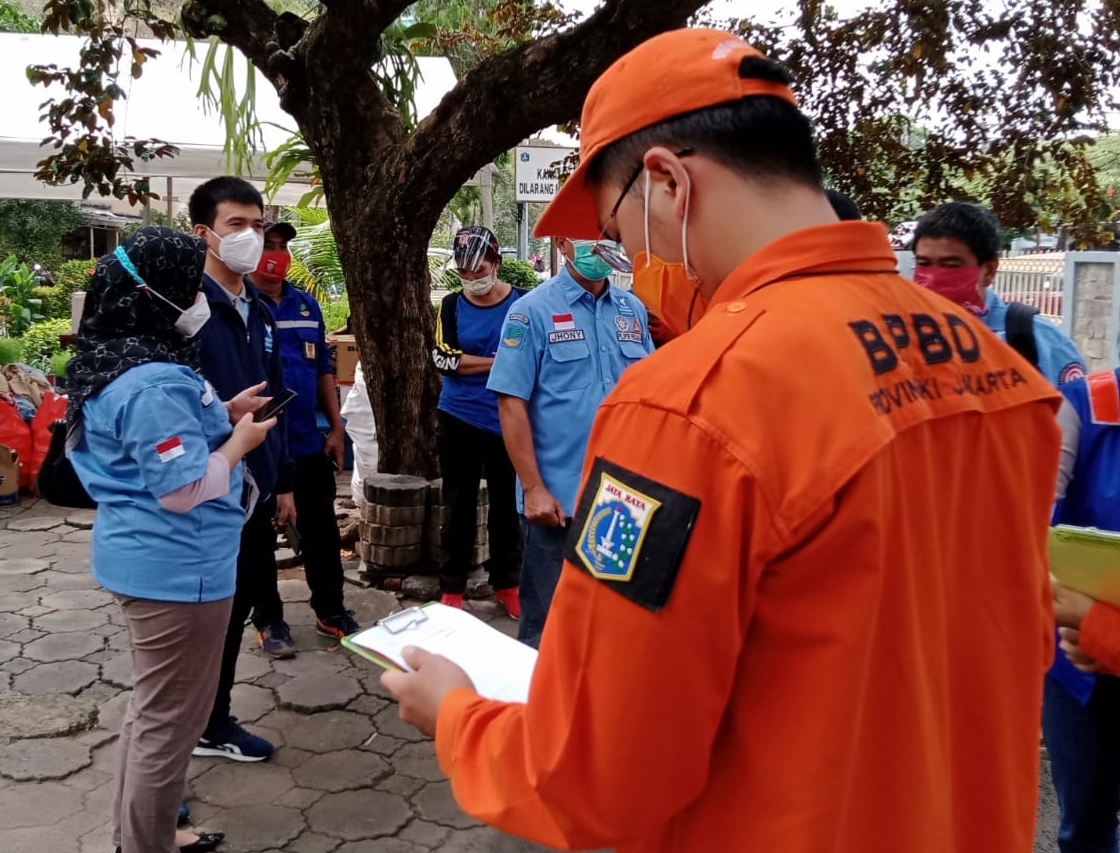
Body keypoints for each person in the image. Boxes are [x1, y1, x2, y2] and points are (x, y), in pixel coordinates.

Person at [382, 28, 1062, 852]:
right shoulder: (996, 370)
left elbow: (597, 776)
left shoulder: (690, 401)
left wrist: (455, 716)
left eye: (620, 228)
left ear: (667, 181)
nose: (633, 256)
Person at [66, 226, 275, 853]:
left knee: (153, 713)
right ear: (155, 293)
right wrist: (239, 444)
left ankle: (147, 835)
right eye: (189, 285)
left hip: (149, 559)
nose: (198, 298)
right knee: (169, 724)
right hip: (179, 571)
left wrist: (222, 412)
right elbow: (183, 489)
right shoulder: (154, 382)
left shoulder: (121, 356)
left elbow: (157, 448)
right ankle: (147, 844)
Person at [486, 233, 652, 648]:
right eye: (586, 236)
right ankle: (531, 711)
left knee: (613, 623)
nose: (599, 246)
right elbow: (511, 404)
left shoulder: (632, 310)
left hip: (621, 499)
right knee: (549, 625)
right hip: (558, 502)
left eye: (607, 235)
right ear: (562, 243)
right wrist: (533, 488)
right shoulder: (531, 312)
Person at [187, 177, 295, 762]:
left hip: (252, 489)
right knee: (190, 630)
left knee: (231, 616)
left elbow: (275, 399)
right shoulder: (185, 310)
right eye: (237, 225)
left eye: (257, 224)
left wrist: (281, 482)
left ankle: (214, 721)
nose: (251, 237)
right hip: (199, 490)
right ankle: (163, 765)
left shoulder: (261, 310)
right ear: (203, 233)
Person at [1042, 273, 1120, 853]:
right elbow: (1033, 509)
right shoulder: (1085, 402)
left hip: (1096, 629)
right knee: (1085, 824)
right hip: (1076, 657)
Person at [252, 219, 361, 641]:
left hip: (305, 440)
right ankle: (268, 618)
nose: (276, 255)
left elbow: (322, 371)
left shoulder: (304, 307)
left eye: (281, 246)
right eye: (267, 246)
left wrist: (336, 428)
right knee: (260, 535)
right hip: (258, 445)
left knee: (321, 529)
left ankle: (331, 610)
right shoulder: (241, 309)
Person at [431, 225, 525, 616]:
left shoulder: (522, 305)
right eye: (464, 271)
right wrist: (500, 362)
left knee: (507, 506)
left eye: (479, 269)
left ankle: (507, 583)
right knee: (458, 503)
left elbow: (531, 358)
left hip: (509, 418)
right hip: (459, 416)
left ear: (497, 263)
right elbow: (444, 360)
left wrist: (478, 365)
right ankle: (452, 587)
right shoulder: (451, 306)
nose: (472, 278)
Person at [912, 201, 1086, 386]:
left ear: (989, 271)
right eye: (924, 264)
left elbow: (1077, 410)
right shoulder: (900, 337)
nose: (932, 278)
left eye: (951, 266)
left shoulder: (1034, 338)